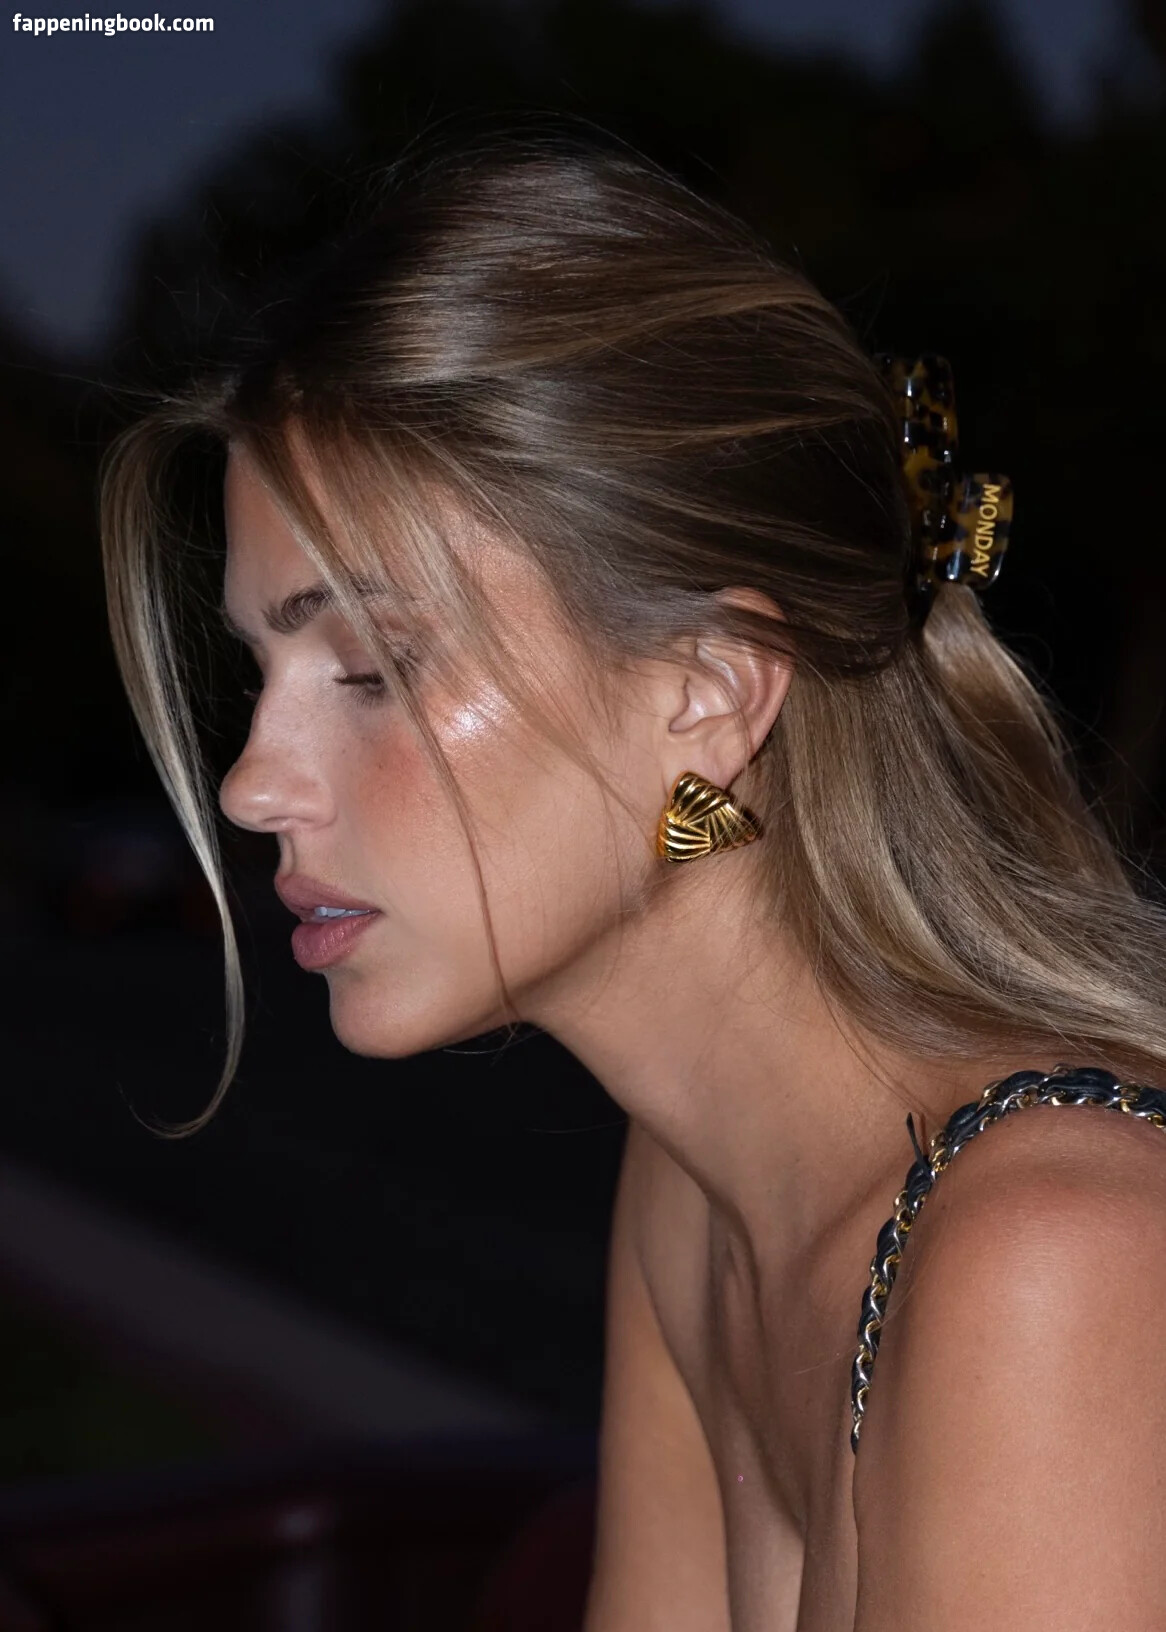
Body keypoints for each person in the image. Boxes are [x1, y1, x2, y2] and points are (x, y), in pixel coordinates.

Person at [99, 120, 1166, 1630]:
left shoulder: (1054, 1262)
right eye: (263, 671)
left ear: (707, 695)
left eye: (375, 667)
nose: (251, 783)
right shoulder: (693, 1188)